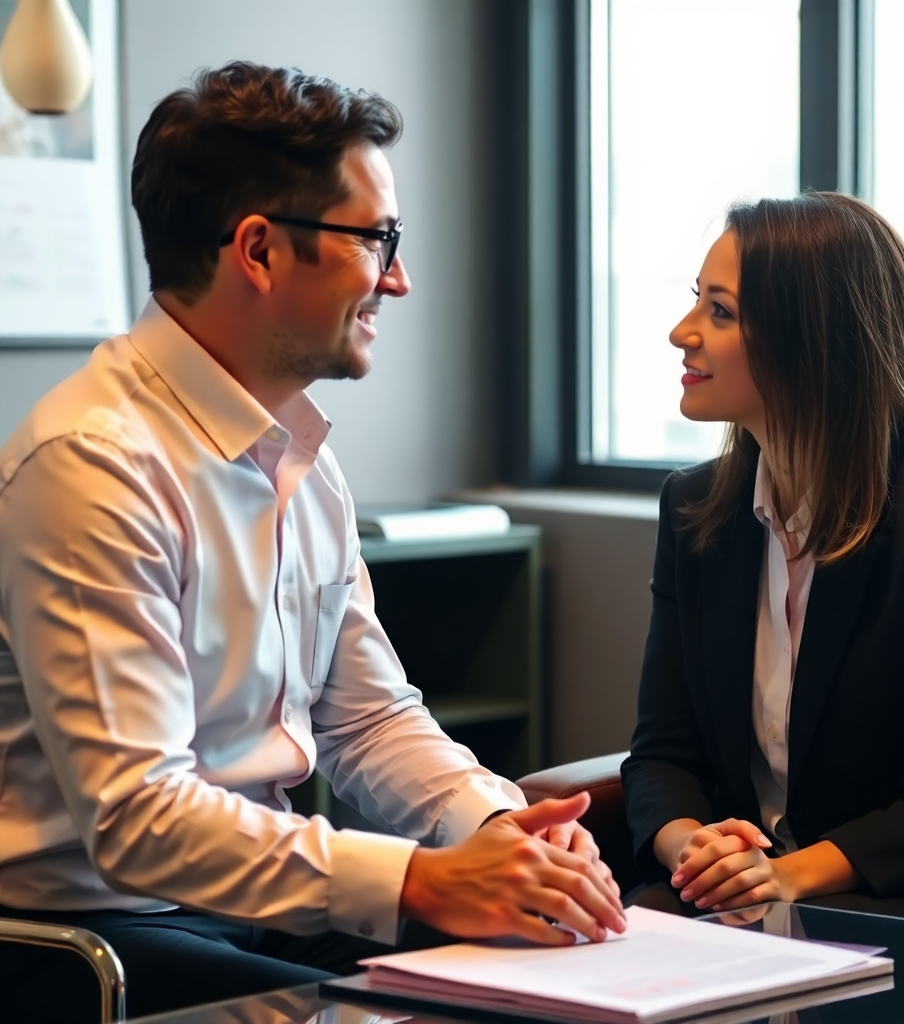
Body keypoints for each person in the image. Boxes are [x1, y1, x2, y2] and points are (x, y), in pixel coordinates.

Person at [0, 62, 624, 1022]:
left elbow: (367, 718)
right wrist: (419, 882)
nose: (399, 278)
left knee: (570, 973)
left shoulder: (297, 453)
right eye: (377, 239)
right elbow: (137, 818)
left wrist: (503, 829)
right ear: (257, 249)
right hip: (95, 941)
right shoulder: (92, 462)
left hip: (256, 909)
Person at [622, 192, 904, 925]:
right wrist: (696, 848)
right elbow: (661, 756)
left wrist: (779, 875)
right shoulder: (693, 508)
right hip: (746, 908)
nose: (682, 333)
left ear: (811, 338)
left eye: (720, 311)